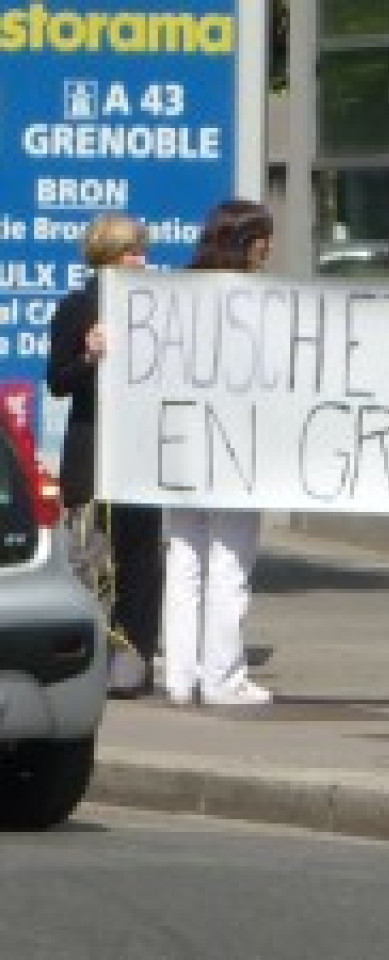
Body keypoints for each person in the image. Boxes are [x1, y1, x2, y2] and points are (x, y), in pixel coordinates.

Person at [162, 199, 275, 706]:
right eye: (265, 240)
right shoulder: (254, 300)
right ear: (251, 244)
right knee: (229, 560)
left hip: (179, 442)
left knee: (184, 558)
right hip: (235, 443)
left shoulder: (175, 293)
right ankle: (223, 676)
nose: (270, 250)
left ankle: (181, 675)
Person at [47, 214, 161, 697]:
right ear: (107, 258)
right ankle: (89, 661)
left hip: (140, 453)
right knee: (92, 560)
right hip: (92, 452)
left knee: (140, 561)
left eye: (142, 251)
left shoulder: (157, 306)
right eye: (131, 252)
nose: (142, 261)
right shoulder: (78, 308)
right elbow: (58, 382)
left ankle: (135, 660)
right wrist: (91, 357)